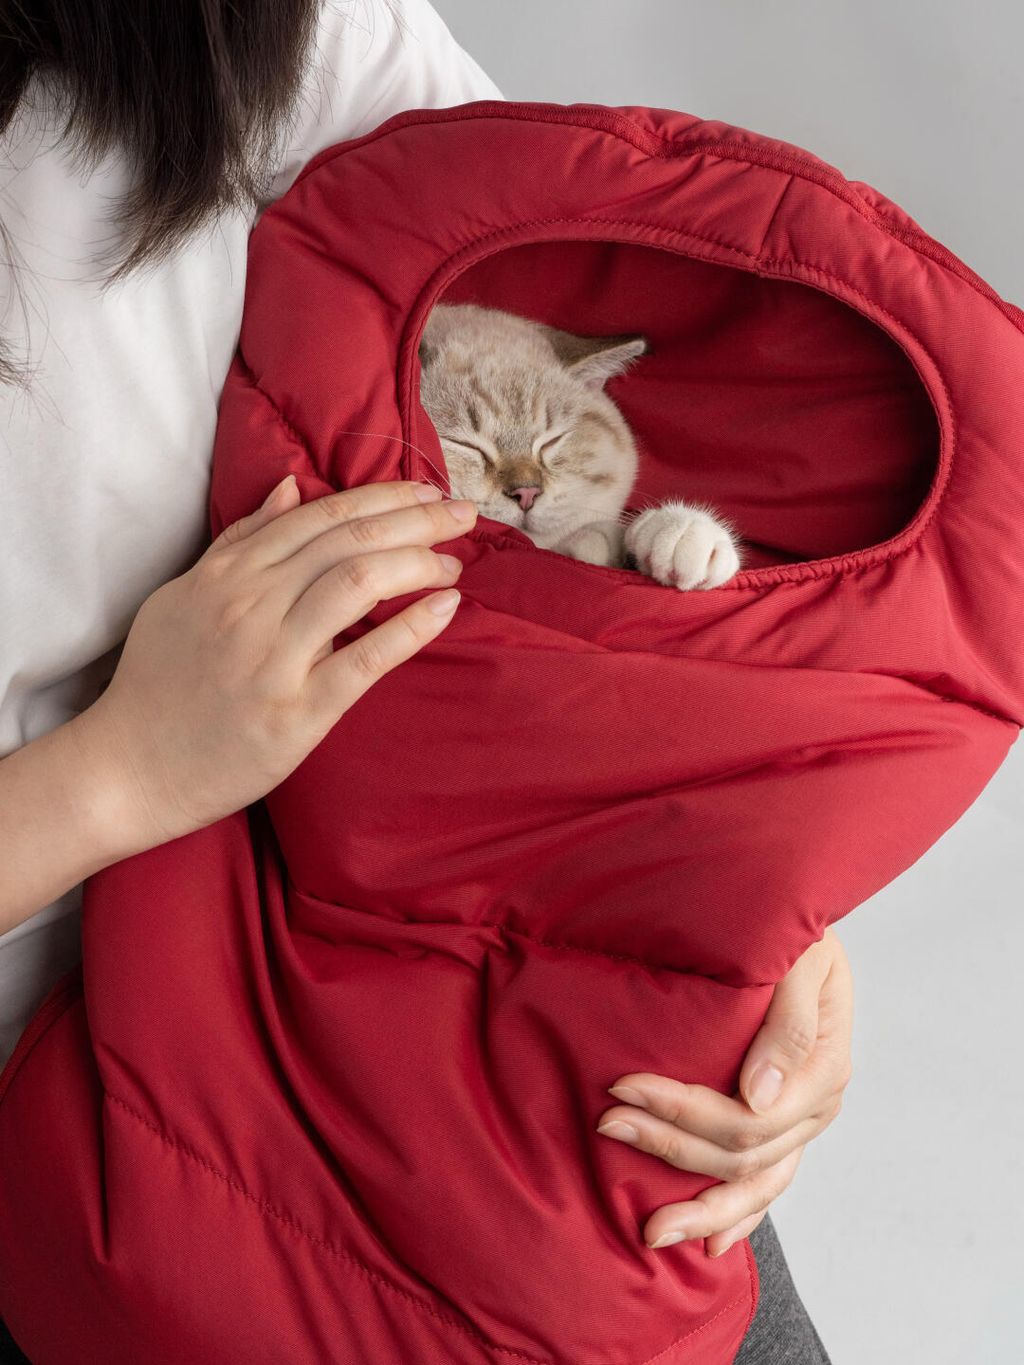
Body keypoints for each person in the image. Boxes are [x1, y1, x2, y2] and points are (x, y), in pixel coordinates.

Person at [0, 2, 853, 1360]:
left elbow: (579, 292)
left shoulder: (207, 25)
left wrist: (751, 904)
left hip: (435, 901)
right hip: (73, 1109)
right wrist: (127, 770)